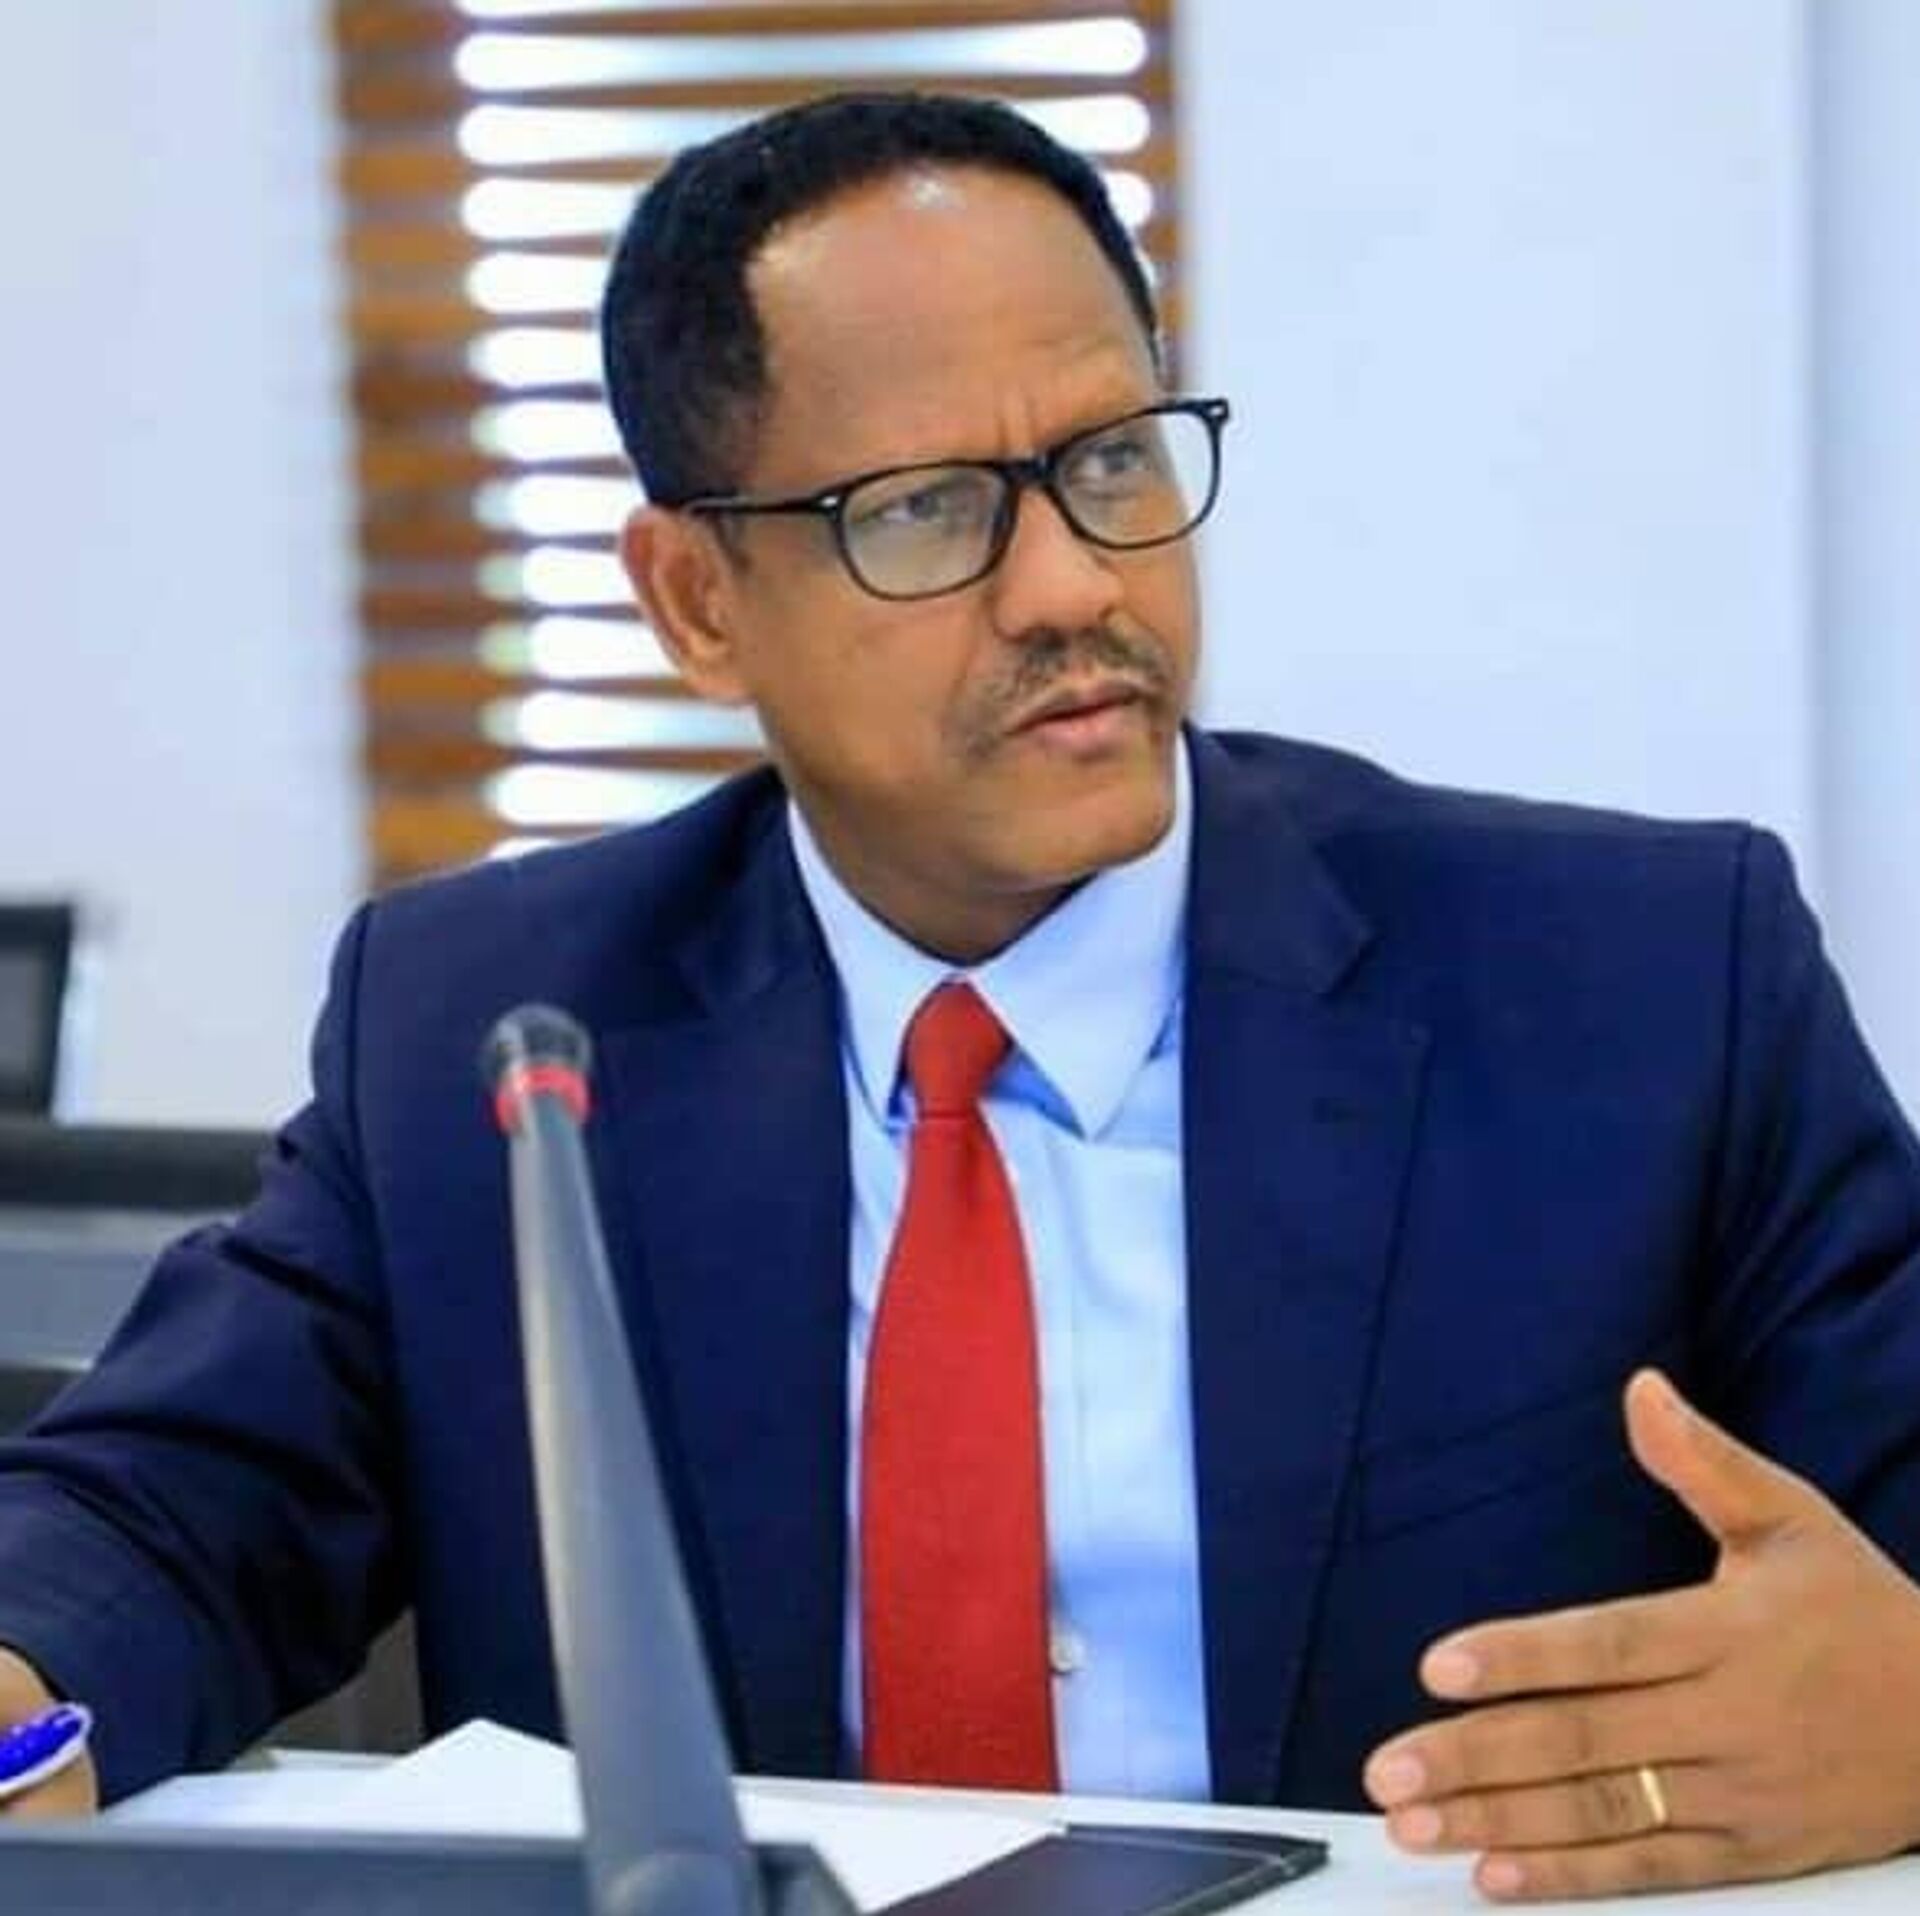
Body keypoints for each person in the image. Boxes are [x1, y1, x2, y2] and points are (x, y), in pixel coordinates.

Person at [1, 90, 1919, 1903]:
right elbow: (168, 1513)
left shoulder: (1645, 983)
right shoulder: (492, 1024)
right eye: (925, 510)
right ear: (696, 603)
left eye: (1110, 461)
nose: (1070, 586)